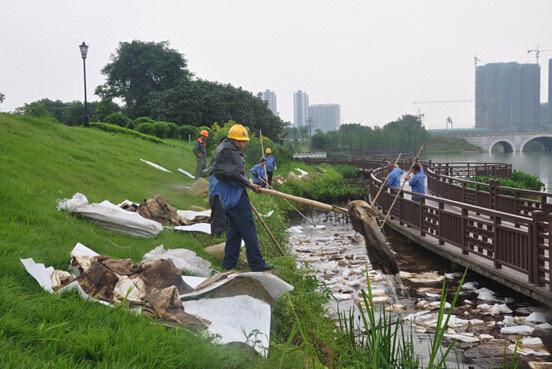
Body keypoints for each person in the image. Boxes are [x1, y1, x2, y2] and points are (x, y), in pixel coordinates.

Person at [209, 124, 271, 271]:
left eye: (244, 141)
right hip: (235, 198)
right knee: (249, 230)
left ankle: (229, 264)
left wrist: (248, 184)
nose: (242, 144)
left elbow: (235, 174)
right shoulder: (230, 153)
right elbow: (235, 175)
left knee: (234, 233)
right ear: (232, 139)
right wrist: (251, 186)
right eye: (239, 141)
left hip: (229, 199)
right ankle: (257, 264)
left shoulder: (224, 149)